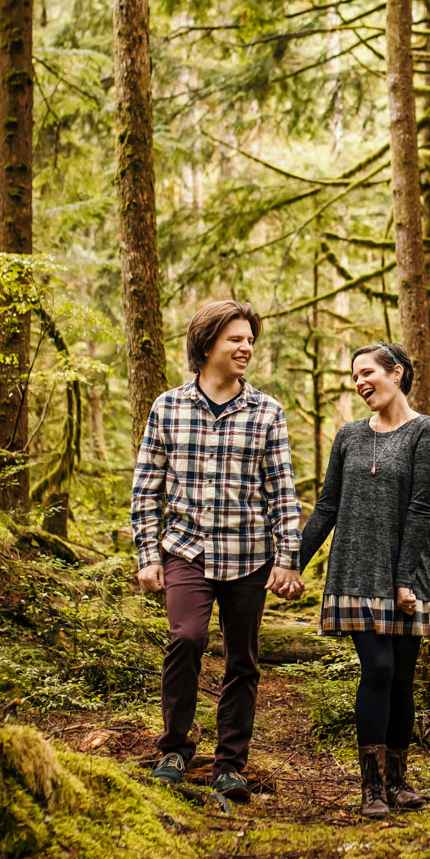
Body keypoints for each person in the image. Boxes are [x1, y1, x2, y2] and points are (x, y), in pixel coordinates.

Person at [130, 300, 305, 801]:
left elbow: (281, 492)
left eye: (250, 339)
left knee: (242, 660)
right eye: (236, 339)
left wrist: (288, 557)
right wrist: (147, 555)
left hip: (249, 554)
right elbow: (146, 489)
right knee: (186, 638)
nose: (246, 347)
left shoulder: (266, 411)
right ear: (207, 345)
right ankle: (174, 749)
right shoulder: (168, 407)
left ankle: (231, 763)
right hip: (186, 549)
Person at [297, 342, 430, 819]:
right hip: (355, 572)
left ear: (396, 373)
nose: (361, 383)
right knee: (378, 669)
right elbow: (327, 507)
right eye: (355, 376)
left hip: (406, 572)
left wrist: (405, 579)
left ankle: (398, 782)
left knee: (403, 680)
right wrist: (290, 563)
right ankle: (371, 789)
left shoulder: (428, 432)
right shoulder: (348, 436)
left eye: (368, 373)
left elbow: (421, 510)